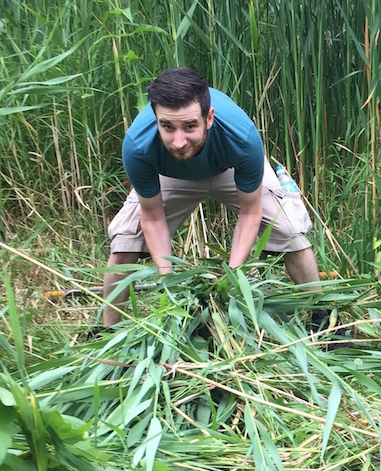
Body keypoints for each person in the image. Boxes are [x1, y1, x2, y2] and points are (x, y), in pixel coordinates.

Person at [102, 66, 321, 326]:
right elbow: (152, 217)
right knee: (124, 242)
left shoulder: (242, 137)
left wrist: (233, 273)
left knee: (289, 230)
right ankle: (108, 334)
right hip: (172, 173)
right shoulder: (138, 145)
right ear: (155, 117)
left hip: (228, 167)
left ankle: (324, 317)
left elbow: (250, 212)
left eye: (189, 126)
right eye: (167, 126)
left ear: (209, 118)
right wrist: (167, 279)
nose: (178, 140)